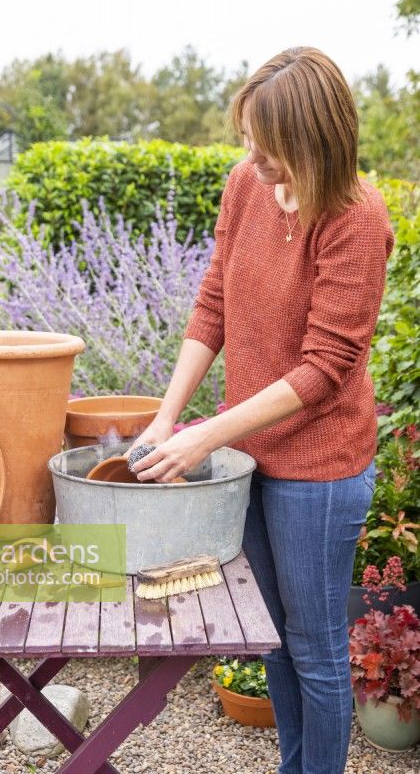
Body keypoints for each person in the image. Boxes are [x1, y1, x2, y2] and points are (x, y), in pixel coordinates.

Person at [126, 47, 395, 774]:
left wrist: (202, 436)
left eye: (269, 147)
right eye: (248, 140)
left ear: (316, 139)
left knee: (312, 651)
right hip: (249, 457)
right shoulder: (245, 185)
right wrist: (166, 416)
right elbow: (213, 301)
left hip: (319, 469)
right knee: (271, 638)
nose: (254, 158)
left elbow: (323, 369)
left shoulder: (354, 219)